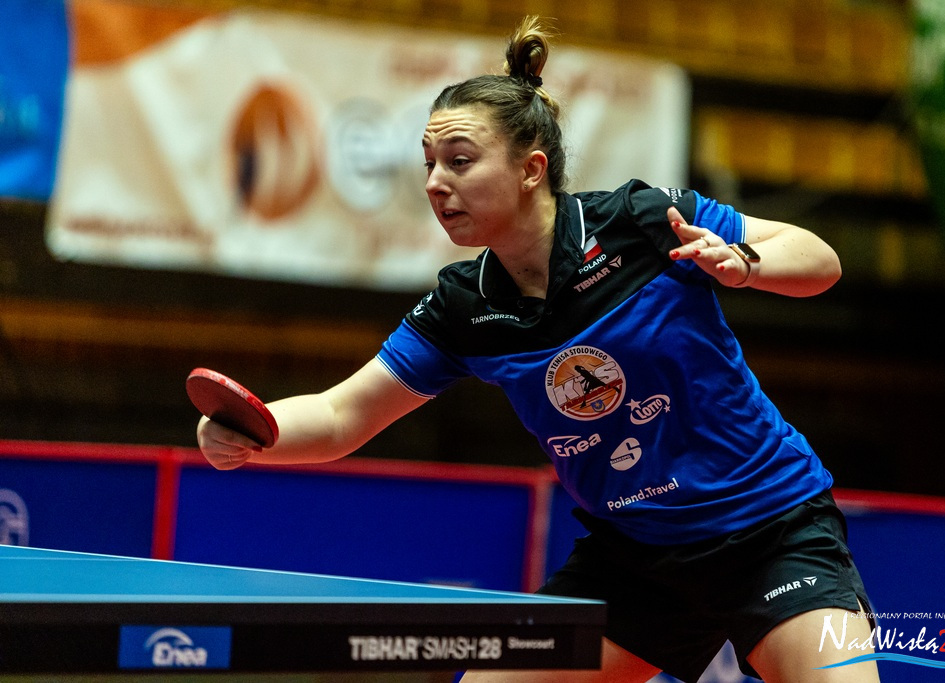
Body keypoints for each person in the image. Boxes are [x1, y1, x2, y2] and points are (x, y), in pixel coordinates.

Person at [198, 16, 880, 683]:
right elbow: (342, 414)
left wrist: (744, 262)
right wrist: (255, 430)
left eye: (459, 161)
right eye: (430, 164)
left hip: (770, 530)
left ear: (530, 169)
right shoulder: (465, 306)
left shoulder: (640, 222)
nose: (435, 182)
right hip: (636, 560)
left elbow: (818, 259)